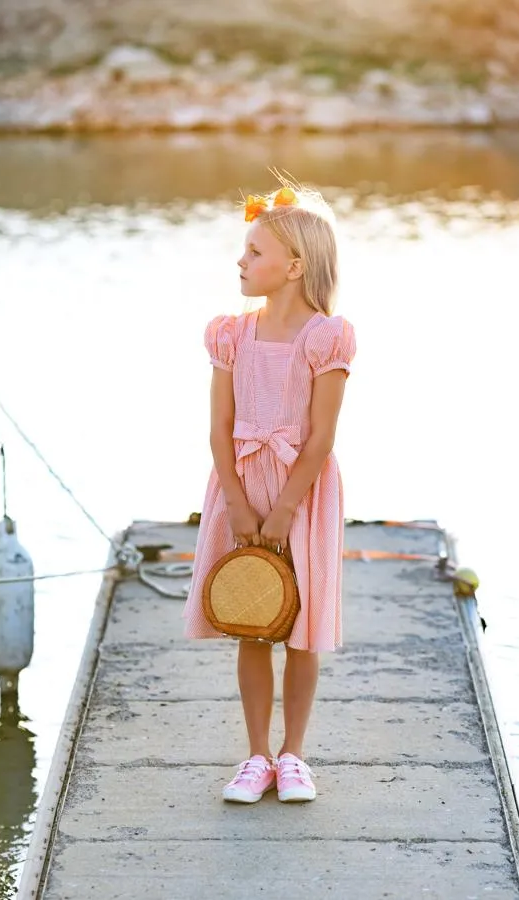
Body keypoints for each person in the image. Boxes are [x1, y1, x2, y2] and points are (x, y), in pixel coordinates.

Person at [182, 180, 356, 804]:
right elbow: (218, 428)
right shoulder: (232, 335)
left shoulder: (326, 338)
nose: (241, 261)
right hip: (242, 484)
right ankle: (256, 757)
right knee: (252, 619)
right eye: (245, 250)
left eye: (254, 252)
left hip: (301, 493)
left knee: (301, 626)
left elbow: (321, 439)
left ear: (294, 266)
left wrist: (284, 509)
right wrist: (234, 498)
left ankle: (294, 756)